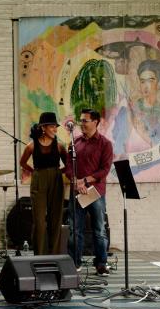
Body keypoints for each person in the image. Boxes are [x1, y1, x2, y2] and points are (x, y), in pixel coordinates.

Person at [65, 108, 113, 275]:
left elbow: (104, 170)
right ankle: (74, 263)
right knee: (74, 229)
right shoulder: (74, 143)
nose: (81, 124)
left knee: (99, 230)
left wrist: (84, 181)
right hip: (77, 191)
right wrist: (77, 182)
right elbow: (69, 167)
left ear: (95, 122)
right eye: (81, 120)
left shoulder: (105, 144)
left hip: (96, 193)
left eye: (85, 121)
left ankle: (101, 263)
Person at [20, 112, 67, 255]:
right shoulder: (31, 146)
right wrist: (34, 171)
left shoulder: (59, 146)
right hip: (39, 179)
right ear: (43, 128)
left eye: (55, 126)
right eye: (52, 126)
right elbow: (22, 162)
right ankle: (39, 255)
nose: (55, 129)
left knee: (55, 219)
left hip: (56, 179)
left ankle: (54, 255)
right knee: (39, 221)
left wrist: (58, 173)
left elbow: (68, 165)